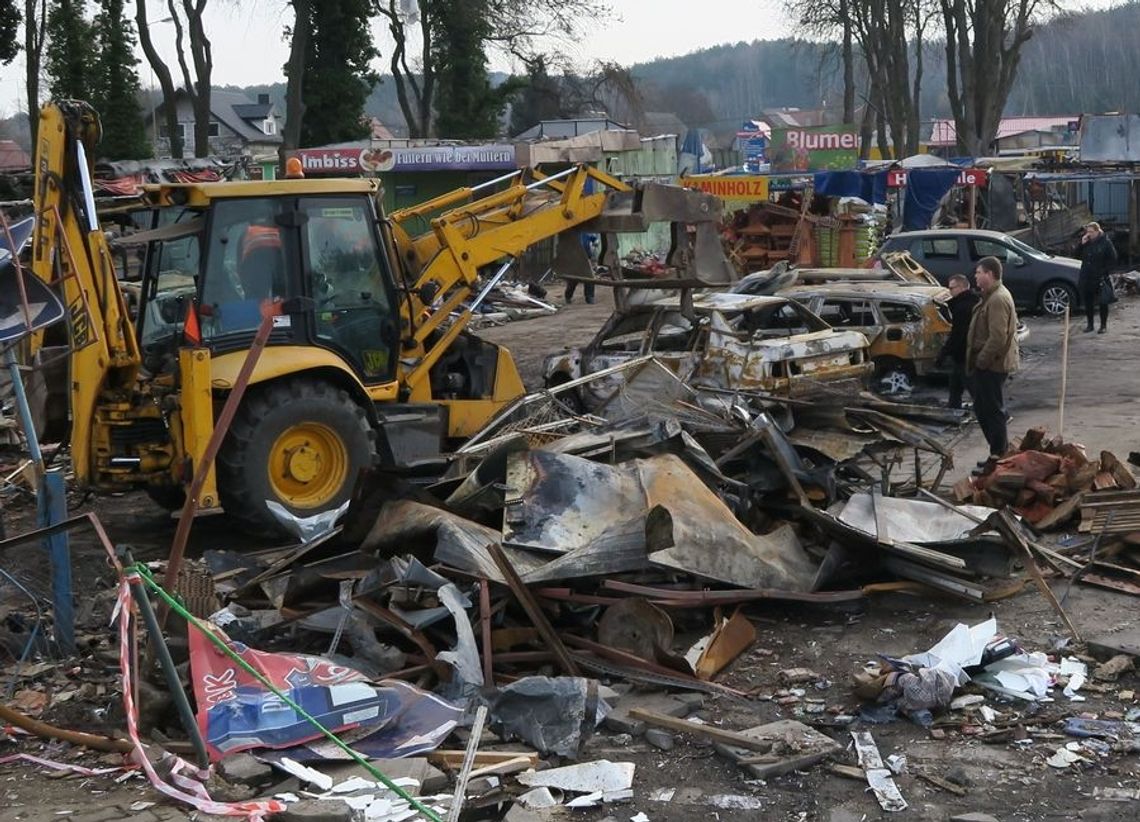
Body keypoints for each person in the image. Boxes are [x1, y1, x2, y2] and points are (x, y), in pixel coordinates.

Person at [966, 256, 1020, 463]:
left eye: (978, 273)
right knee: (983, 407)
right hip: (989, 362)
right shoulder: (990, 296)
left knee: (992, 409)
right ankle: (996, 452)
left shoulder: (997, 298)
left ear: (989, 274)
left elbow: (998, 337)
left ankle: (998, 454)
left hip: (992, 364)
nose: (975, 276)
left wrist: (981, 360)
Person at [937, 273, 979, 409]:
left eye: (951, 288)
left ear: (961, 287)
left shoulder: (963, 307)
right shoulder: (973, 301)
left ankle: (987, 412)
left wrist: (943, 353)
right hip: (964, 353)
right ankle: (953, 407)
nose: (950, 291)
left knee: (972, 387)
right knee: (955, 384)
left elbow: (957, 334)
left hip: (964, 353)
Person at [1078, 221, 1117, 333]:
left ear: (1097, 231)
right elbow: (1076, 255)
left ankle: (1103, 326)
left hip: (1100, 277)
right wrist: (1081, 244)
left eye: (1091, 231)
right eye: (1087, 231)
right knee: (1088, 302)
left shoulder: (1105, 242)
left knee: (1103, 302)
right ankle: (1090, 325)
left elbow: (1113, 259)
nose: (1089, 234)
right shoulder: (1086, 241)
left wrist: (1104, 271)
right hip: (1087, 276)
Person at [563, 232, 598, 304]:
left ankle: (590, 297)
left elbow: (595, 239)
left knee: (589, 278)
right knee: (573, 280)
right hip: (574, 258)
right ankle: (568, 296)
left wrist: (595, 242)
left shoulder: (587, 232)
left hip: (586, 258)